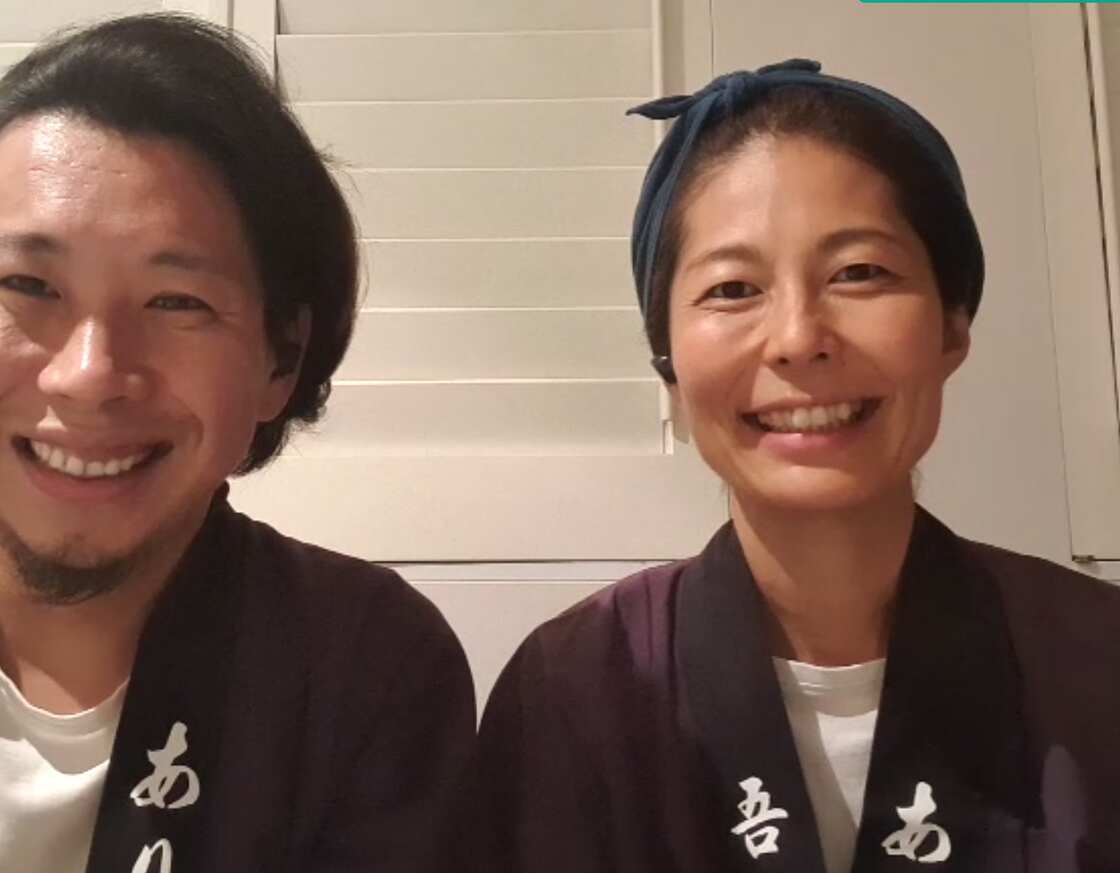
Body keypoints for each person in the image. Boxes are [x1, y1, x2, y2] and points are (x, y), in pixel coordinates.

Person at [0, 14, 473, 873]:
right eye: (29, 285)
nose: (90, 374)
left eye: (177, 302)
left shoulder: (362, 669)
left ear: (279, 358)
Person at [465, 60, 1120, 872]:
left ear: (951, 327)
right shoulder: (574, 688)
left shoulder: (1098, 663)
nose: (798, 337)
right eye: (734, 288)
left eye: (860, 273)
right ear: (668, 359)